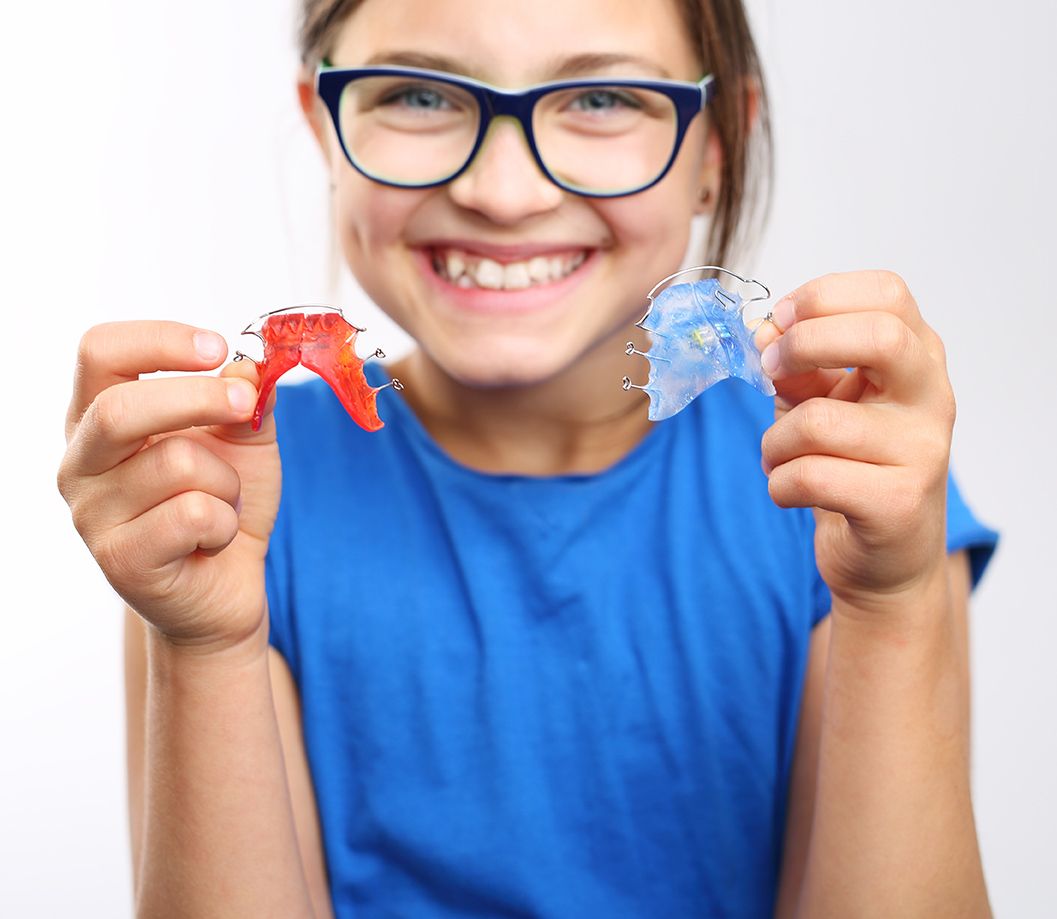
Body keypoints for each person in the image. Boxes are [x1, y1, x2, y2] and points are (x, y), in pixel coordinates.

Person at [57, 0, 998, 915]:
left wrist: (891, 602)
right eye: (420, 94)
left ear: (716, 146)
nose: (504, 193)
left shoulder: (847, 486)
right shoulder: (229, 502)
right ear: (323, 126)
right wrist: (205, 642)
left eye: (601, 100)